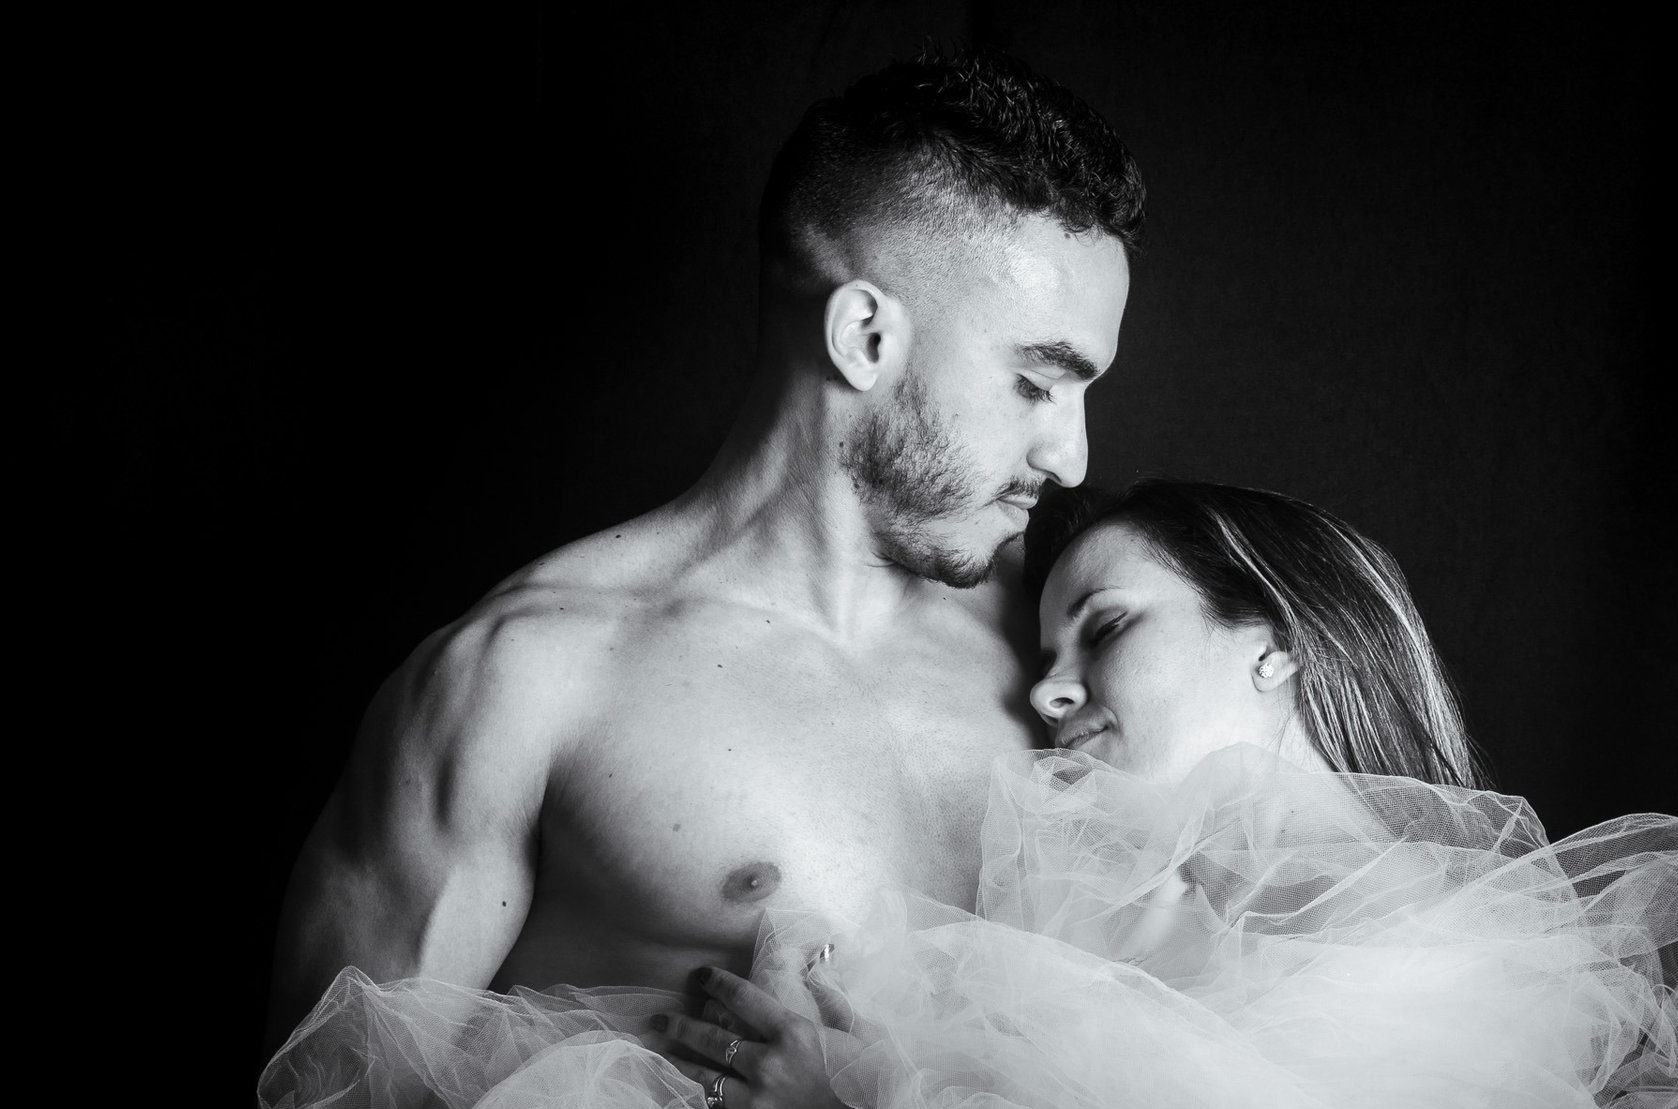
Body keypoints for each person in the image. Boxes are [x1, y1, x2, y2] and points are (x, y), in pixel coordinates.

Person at [264, 45, 1144, 1047]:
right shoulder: (529, 674)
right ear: (864, 335)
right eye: (1038, 381)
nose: (1072, 456)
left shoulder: (1084, 647)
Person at [653, 480, 1678, 1109]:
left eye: (1103, 627)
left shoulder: (1432, 942)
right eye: (1043, 658)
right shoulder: (1100, 905)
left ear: (1274, 641)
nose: (1052, 692)